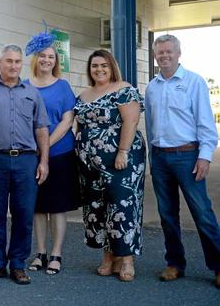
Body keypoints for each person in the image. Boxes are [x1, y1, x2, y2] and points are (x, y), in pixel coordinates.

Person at [0, 44, 50, 285]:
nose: (13, 65)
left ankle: (18, 265)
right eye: (8, 61)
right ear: (0, 63)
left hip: (26, 160)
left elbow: (41, 128)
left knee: (23, 214)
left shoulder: (32, 93)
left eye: (17, 61)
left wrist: (43, 161)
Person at [145, 34, 220, 289]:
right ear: (155, 56)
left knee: (202, 213)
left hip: (187, 156)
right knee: (167, 214)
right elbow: (150, 124)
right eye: (160, 52)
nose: (164, 56)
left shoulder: (194, 82)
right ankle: (175, 263)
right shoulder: (152, 87)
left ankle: (218, 266)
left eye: (168, 51)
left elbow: (205, 124)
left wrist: (204, 157)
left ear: (178, 53)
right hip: (160, 157)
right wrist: (151, 157)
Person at [74, 49, 146, 282]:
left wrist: (122, 151)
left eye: (104, 65)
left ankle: (126, 259)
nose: (99, 69)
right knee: (98, 206)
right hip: (89, 163)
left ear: (111, 66)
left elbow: (131, 120)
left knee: (122, 204)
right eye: (95, 66)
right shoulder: (84, 95)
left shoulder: (123, 89)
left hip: (121, 158)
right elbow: (78, 126)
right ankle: (108, 256)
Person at [23, 32, 79, 275]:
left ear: (56, 61)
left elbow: (68, 120)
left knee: (56, 206)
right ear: (35, 58)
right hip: (31, 155)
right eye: (43, 56)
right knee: (37, 206)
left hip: (60, 153)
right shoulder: (24, 86)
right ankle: (41, 252)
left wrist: (45, 146)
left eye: (51, 57)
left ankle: (56, 254)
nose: (47, 60)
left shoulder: (62, 86)